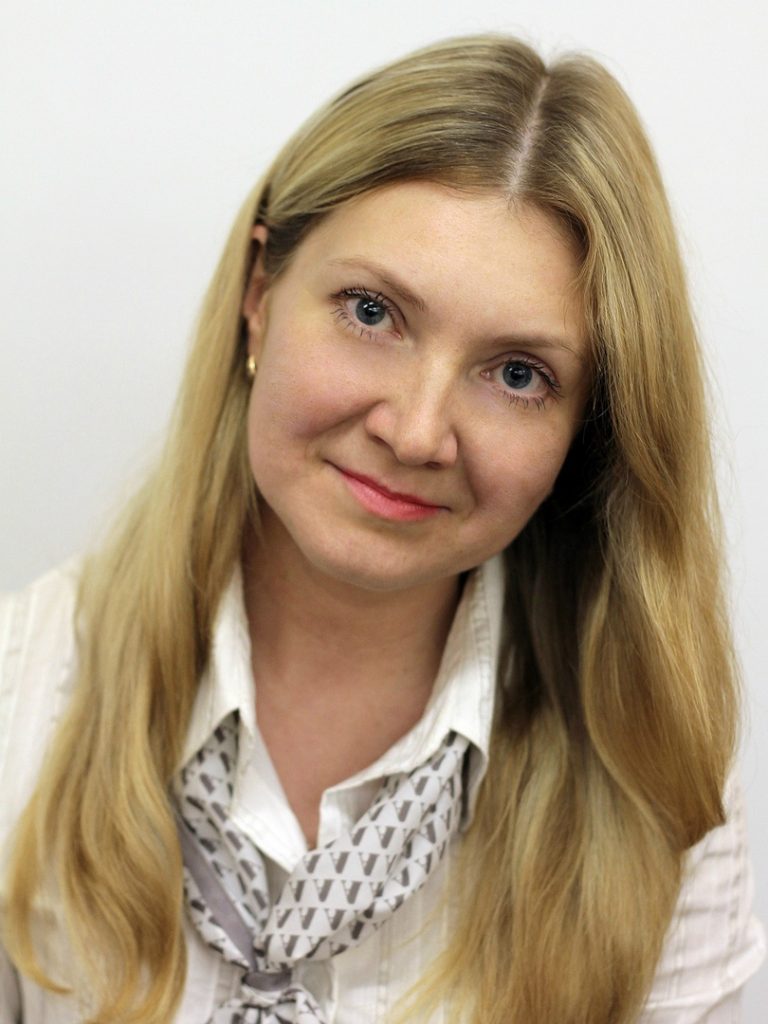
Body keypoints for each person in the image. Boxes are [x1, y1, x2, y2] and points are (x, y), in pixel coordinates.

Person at [0, 32, 764, 1024]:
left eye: (518, 374)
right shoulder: (21, 689)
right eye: (371, 312)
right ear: (261, 295)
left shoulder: (649, 776)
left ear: (586, 430)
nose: (415, 432)